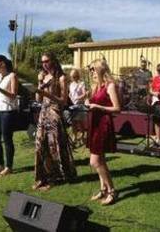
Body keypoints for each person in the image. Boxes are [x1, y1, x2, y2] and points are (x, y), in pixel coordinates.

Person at [33, 52, 77, 191]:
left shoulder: (61, 78)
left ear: (53, 60)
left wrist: (48, 94)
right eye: (42, 62)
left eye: (46, 61)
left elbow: (63, 101)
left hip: (55, 113)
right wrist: (40, 83)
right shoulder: (43, 77)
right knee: (40, 145)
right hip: (43, 113)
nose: (44, 64)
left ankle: (56, 178)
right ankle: (42, 177)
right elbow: (38, 99)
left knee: (54, 146)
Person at [85, 59, 120, 205]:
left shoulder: (110, 86)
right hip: (94, 123)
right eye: (90, 69)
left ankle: (112, 190)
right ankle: (103, 189)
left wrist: (98, 107)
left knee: (95, 161)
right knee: (101, 159)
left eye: (93, 69)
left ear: (100, 69)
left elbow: (117, 108)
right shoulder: (96, 87)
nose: (91, 72)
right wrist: (88, 102)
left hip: (103, 125)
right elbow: (92, 103)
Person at [68, 68, 87, 141]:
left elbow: (84, 94)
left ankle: (82, 135)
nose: (72, 78)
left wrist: (78, 98)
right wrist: (70, 95)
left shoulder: (81, 84)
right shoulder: (71, 84)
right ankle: (74, 136)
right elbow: (71, 93)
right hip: (73, 105)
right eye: (72, 77)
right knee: (73, 122)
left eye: (74, 76)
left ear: (77, 76)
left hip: (79, 105)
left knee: (80, 122)